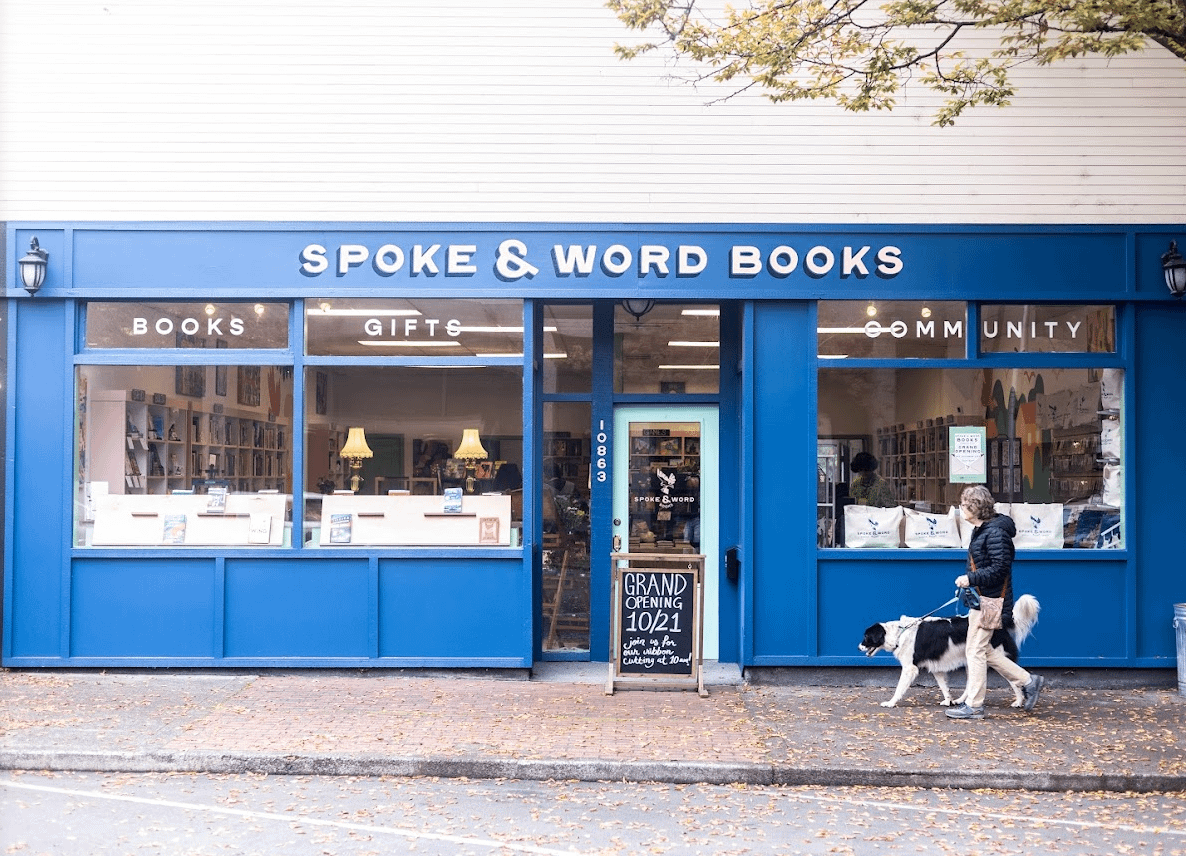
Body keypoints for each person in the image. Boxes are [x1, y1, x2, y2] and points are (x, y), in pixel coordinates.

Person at [947, 484, 1045, 720]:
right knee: (983, 650)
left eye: (963, 505)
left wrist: (969, 578)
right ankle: (1029, 681)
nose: (960, 509)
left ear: (975, 507)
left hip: (991, 601)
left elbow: (999, 569)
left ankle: (975, 705)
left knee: (975, 652)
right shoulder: (983, 530)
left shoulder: (995, 533)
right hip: (981, 600)